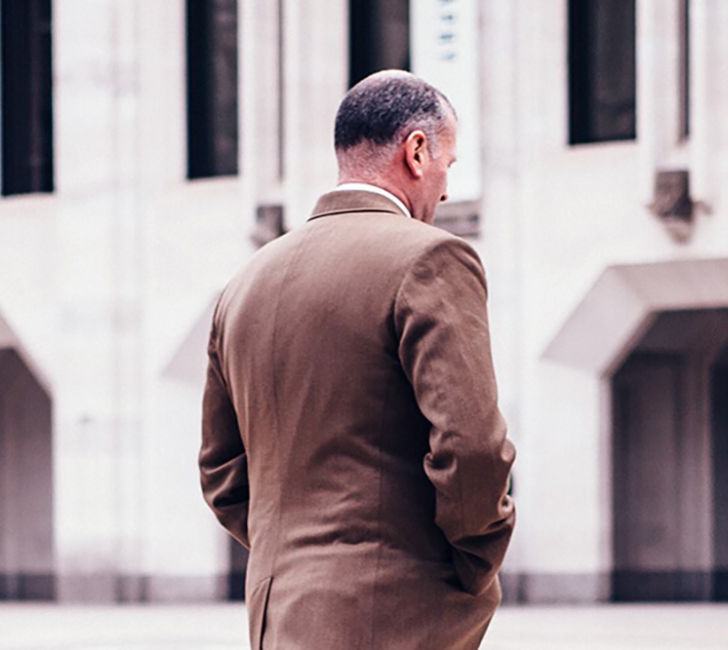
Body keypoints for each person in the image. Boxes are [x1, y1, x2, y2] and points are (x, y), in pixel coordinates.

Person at [199, 71, 516, 649]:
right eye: (448, 163)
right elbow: (472, 447)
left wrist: (294, 558)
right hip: (395, 612)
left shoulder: (245, 283)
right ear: (416, 151)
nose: (446, 190)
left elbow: (221, 472)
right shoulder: (430, 259)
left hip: (277, 614)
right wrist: (473, 564)